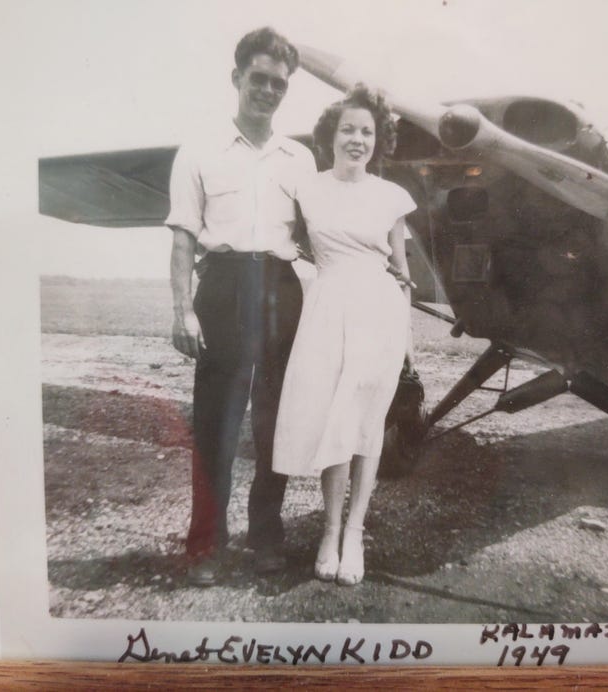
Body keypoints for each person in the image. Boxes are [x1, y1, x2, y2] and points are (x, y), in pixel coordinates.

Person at [165, 27, 316, 585]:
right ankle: (205, 542)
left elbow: (322, 235)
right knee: (215, 425)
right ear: (237, 79)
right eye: (259, 79)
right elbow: (182, 238)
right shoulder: (199, 152)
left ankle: (266, 537)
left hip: (280, 289)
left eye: (279, 83)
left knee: (276, 423)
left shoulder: (299, 158)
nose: (269, 90)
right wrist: (183, 309)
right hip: (223, 287)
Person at [272, 85, 415, 586]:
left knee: (366, 424)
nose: (358, 139)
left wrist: (408, 341)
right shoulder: (307, 189)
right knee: (331, 418)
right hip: (327, 309)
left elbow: (402, 272)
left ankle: (354, 532)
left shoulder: (393, 197)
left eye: (368, 132)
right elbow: (281, 245)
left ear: (379, 140)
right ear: (330, 137)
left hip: (378, 313)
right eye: (349, 130)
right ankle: (328, 531)